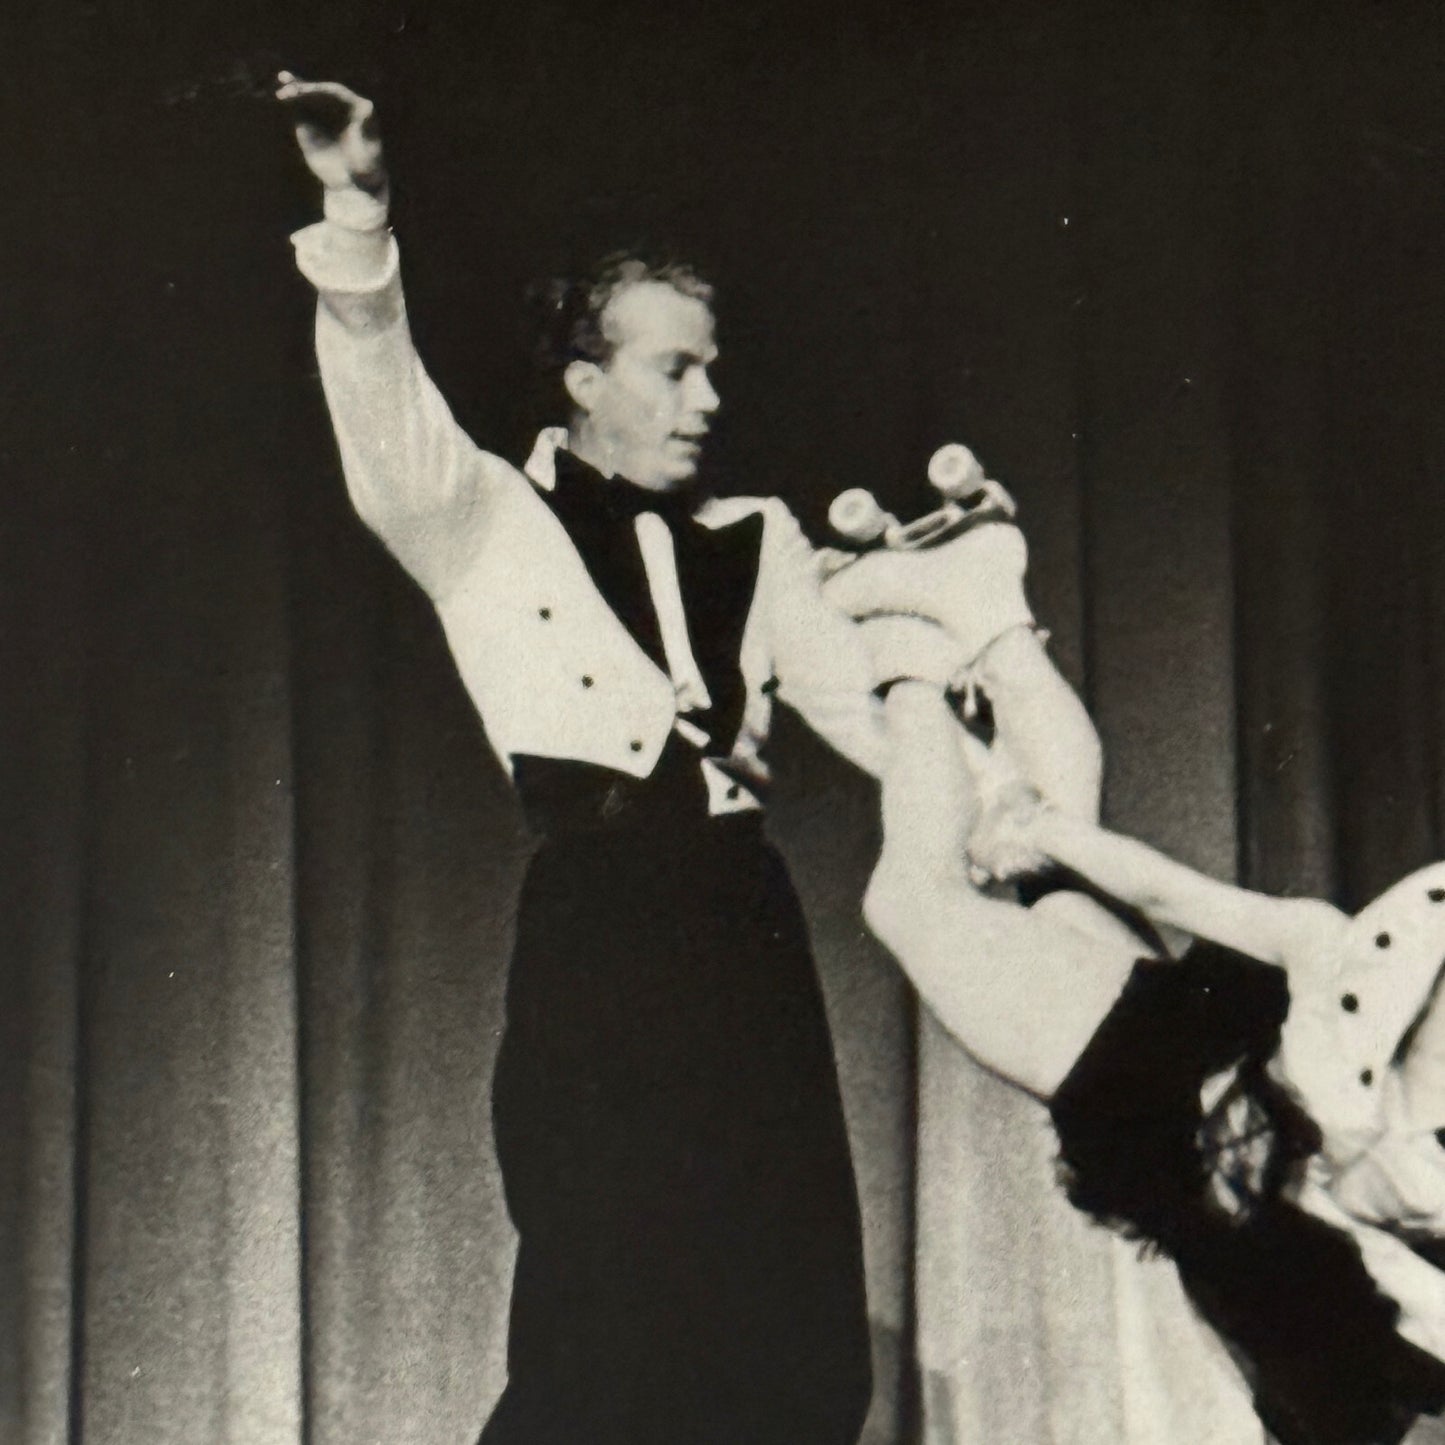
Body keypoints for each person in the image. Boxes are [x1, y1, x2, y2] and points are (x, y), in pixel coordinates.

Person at [274, 72, 888, 1444]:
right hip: (601, 930)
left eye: (713, 366)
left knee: (791, 1330)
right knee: (605, 1327)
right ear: (584, 380)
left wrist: (1004, 797)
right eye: (676, 368)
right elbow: (380, 403)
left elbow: (868, 725)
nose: (708, 397)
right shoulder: (483, 516)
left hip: (743, 923)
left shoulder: (764, 535)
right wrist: (354, 206)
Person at [856, 658, 1445, 1445]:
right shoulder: (1363, 1075)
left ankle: (984, 632)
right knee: (914, 903)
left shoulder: (1360, 1023)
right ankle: (916, 656)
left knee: (1047, 886)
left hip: (1187, 1101)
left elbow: (1180, 896)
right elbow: (1179, 898)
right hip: (1152, 1092)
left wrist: (1034, 830)